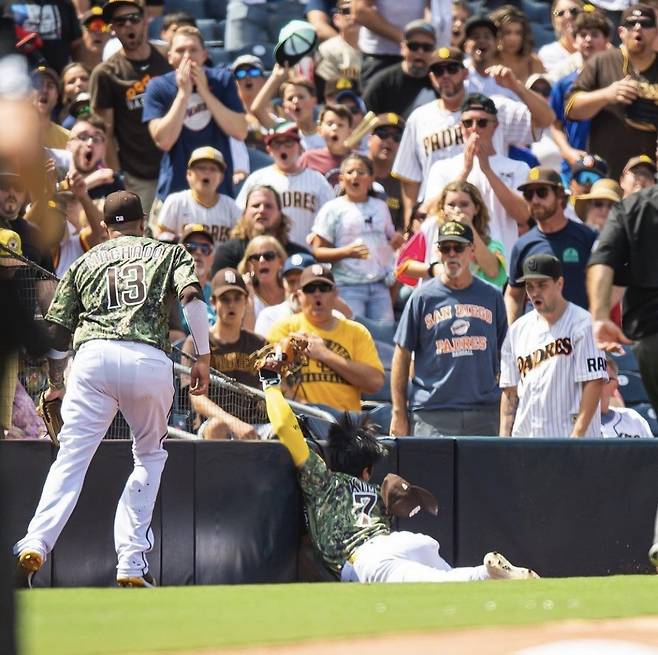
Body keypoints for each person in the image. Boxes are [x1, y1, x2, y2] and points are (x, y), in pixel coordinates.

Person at [13, 190, 210, 588]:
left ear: (104, 227)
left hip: (92, 359)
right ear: (143, 222)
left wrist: (55, 383)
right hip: (148, 359)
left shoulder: (84, 261)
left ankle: (36, 541)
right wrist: (203, 355)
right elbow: (190, 297)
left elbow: (55, 334)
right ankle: (131, 561)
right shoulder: (168, 253)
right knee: (149, 456)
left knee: (71, 458)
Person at [257, 353, 539, 582]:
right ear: (367, 470)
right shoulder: (374, 493)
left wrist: (270, 383)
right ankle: (485, 573)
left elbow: (284, 426)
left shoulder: (324, 481)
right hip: (406, 541)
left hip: (367, 558)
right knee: (450, 578)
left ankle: (485, 574)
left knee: (442, 587)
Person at [392, 47, 555, 226]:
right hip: (441, 215)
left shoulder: (493, 108)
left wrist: (516, 86)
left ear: (465, 73)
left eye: (452, 69)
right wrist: (409, 226)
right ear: (431, 77)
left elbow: (546, 119)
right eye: (439, 71)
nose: (445, 75)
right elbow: (410, 178)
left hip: (493, 211)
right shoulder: (419, 118)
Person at [391, 221, 507, 438]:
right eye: (446, 248)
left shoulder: (492, 296)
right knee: (429, 473)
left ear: (472, 251)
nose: (452, 254)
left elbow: (505, 353)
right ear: (438, 252)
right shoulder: (422, 297)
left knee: (484, 473)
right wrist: (398, 412)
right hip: (432, 412)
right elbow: (402, 354)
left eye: (458, 247)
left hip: (483, 411)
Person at [500, 253, 606, 438]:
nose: (534, 292)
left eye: (542, 285)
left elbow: (594, 382)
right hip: (527, 441)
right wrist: (503, 440)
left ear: (559, 283)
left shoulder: (583, 324)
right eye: (529, 286)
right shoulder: (518, 330)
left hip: (569, 438)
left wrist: (577, 437)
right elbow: (510, 392)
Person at [143, 26, 248, 204]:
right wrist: (183, 93)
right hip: (174, 189)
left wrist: (205, 92)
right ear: (170, 57)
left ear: (204, 54)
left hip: (218, 190)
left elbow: (240, 131)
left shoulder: (222, 80)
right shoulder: (158, 87)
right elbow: (163, 141)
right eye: (180, 50)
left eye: (193, 50)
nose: (187, 56)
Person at [424, 93, 530, 261]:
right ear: (460, 126)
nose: (474, 128)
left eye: (482, 122)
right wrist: (465, 171)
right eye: (468, 123)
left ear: (494, 126)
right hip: (453, 262)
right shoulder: (442, 167)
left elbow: (523, 216)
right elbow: (429, 213)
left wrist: (487, 170)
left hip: (501, 262)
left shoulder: (517, 168)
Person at [90, 0, 171, 214]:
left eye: (133, 18)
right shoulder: (105, 74)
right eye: (120, 21)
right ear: (113, 29)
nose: (128, 25)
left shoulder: (168, 59)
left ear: (145, 20)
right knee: (141, 242)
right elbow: (104, 131)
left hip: (175, 168)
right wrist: (119, 179)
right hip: (137, 176)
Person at [267, 264, 384, 412]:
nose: (317, 294)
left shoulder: (356, 332)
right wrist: (305, 409)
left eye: (324, 288)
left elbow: (375, 382)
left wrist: (324, 354)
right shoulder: (284, 329)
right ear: (299, 295)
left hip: (347, 426)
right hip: (300, 421)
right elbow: (270, 379)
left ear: (335, 293)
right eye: (310, 289)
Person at [565, 4, 658, 179]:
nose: (638, 28)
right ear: (621, 32)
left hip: (651, 176)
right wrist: (607, 94)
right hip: (608, 173)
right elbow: (571, 108)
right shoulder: (602, 61)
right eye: (632, 24)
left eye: (645, 24)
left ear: (655, 32)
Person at [587, 185, 658, 413]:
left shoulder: (634, 206)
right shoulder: (632, 206)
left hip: (652, 338)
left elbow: (602, 262)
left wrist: (599, 317)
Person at [310, 153, 403, 320]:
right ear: (341, 179)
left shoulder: (381, 206)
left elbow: (391, 239)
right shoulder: (332, 209)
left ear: (371, 179)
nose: (355, 176)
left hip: (379, 286)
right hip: (347, 287)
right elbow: (317, 252)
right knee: (353, 338)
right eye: (350, 172)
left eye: (361, 172)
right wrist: (346, 252)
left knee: (384, 336)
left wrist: (396, 240)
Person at [182, 268, 267, 441]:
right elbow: (197, 399)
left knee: (284, 430)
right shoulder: (196, 342)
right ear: (213, 302)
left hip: (255, 425)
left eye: (237, 298)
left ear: (246, 301)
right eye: (225, 299)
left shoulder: (260, 344)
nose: (232, 304)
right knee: (218, 426)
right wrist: (233, 423)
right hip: (211, 426)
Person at [505, 168, 597, 326]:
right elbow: (513, 294)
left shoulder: (586, 237)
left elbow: (603, 286)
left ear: (560, 195)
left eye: (541, 192)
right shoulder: (522, 245)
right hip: (540, 340)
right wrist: (512, 336)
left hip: (581, 335)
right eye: (528, 194)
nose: (534, 200)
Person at [236, 124, 335, 245]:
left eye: (288, 143)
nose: (283, 148)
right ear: (269, 150)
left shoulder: (317, 180)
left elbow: (331, 218)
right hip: (265, 255)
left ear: (299, 147)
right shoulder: (257, 178)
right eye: (276, 144)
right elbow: (239, 215)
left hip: (306, 256)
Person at [403, 181, 507, 289]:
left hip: (474, 301)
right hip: (438, 299)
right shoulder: (431, 227)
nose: (457, 210)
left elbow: (493, 273)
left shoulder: (489, 236)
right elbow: (403, 266)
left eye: (464, 204)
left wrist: (469, 227)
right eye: (451, 205)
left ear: (476, 208)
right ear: (443, 208)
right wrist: (433, 269)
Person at [548, 7, 611, 184]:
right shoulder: (564, 83)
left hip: (612, 165)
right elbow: (555, 124)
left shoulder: (617, 81)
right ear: (574, 42)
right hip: (574, 168)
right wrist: (567, 151)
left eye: (595, 34)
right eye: (583, 35)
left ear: (606, 40)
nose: (588, 39)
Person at [212, 186, 310, 273]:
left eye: (268, 206)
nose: (262, 210)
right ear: (244, 213)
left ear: (280, 214)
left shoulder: (298, 256)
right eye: (255, 206)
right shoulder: (227, 254)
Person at [155, 146, 240, 245]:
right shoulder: (176, 201)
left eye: (213, 169)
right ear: (189, 174)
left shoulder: (231, 207)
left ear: (221, 177)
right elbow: (160, 236)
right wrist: (181, 238)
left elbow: (239, 242)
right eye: (201, 168)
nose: (207, 172)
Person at [362, 19, 438, 119]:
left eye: (427, 47)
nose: (420, 52)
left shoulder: (440, 80)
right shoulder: (382, 83)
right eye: (413, 46)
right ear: (402, 48)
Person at [354, 1, 428, 84]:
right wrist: (407, 40)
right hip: (380, 58)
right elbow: (361, 11)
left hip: (423, 56)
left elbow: (431, 8)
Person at [462, 15, 521, 101]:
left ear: (497, 43)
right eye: (475, 37)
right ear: (466, 46)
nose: (481, 40)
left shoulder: (505, 77)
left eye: (487, 36)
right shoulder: (456, 73)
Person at [297, 104, 354, 188]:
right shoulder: (308, 159)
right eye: (330, 124)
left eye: (340, 125)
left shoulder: (358, 160)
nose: (335, 128)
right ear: (319, 130)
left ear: (350, 132)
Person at [238, 235, 287, 330]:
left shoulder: (292, 292)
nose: (262, 260)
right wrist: (249, 299)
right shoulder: (245, 297)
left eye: (269, 256)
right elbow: (249, 335)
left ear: (280, 262)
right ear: (249, 265)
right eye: (256, 257)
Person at [367, 113, 405, 230]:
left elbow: (402, 229)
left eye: (397, 137)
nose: (389, 140)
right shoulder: (353, 172)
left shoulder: (404, 186)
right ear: (369, 139)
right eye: (383, 134)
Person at [600, 356, 654, 438]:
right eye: (590, 380)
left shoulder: (633, 419)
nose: (595, 386)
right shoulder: (574, 423)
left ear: (615, 384)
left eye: (603, 380)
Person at [490, 5, 545, 84]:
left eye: (518, 33)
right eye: (507, 33)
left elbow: (543, 94)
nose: (513, 38)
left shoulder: (534, 62)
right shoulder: (488, 61)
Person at [315, 0, 362, 84]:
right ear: (336, 19)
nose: (353, 16)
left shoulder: (377, 47)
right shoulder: (327, 50)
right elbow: (328, 89)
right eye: (347, 11)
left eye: (358, 10)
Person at [538, 0, 584, 75]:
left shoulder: (599, 47)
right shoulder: (548, 53)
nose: (568, 16)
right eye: (560, 13)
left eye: (574, 11)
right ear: (554, 21)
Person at [31, 66, 70, 150]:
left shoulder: (68, 139)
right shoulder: (9, 134)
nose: (44, 90)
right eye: (38, 85)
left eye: (50, 86)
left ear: (57, 98)